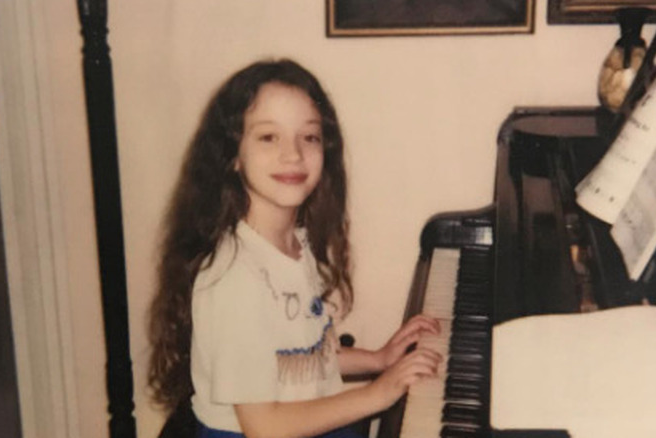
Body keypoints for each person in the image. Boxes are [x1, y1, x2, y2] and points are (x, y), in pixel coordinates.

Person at [148, 58, 441, 438]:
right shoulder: (233, 279)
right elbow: (263, 425)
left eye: (310, 137)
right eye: (269, 137)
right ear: (233, 155)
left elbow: (300, 360)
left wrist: (378, 359)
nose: (294, 154)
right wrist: (377, 393)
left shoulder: (293, 245)